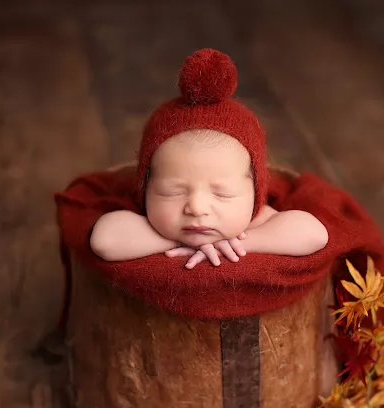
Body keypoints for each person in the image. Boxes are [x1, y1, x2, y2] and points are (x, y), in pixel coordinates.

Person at [90, 48, 328, 269]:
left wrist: (245, 242)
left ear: (255, 192)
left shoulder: (257, 219)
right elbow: (105, 241)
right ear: (145, 187)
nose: (196, 208)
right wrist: (178, 242)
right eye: (172, 191)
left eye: (222, 193)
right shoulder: (146, 221)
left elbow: (315, 234)